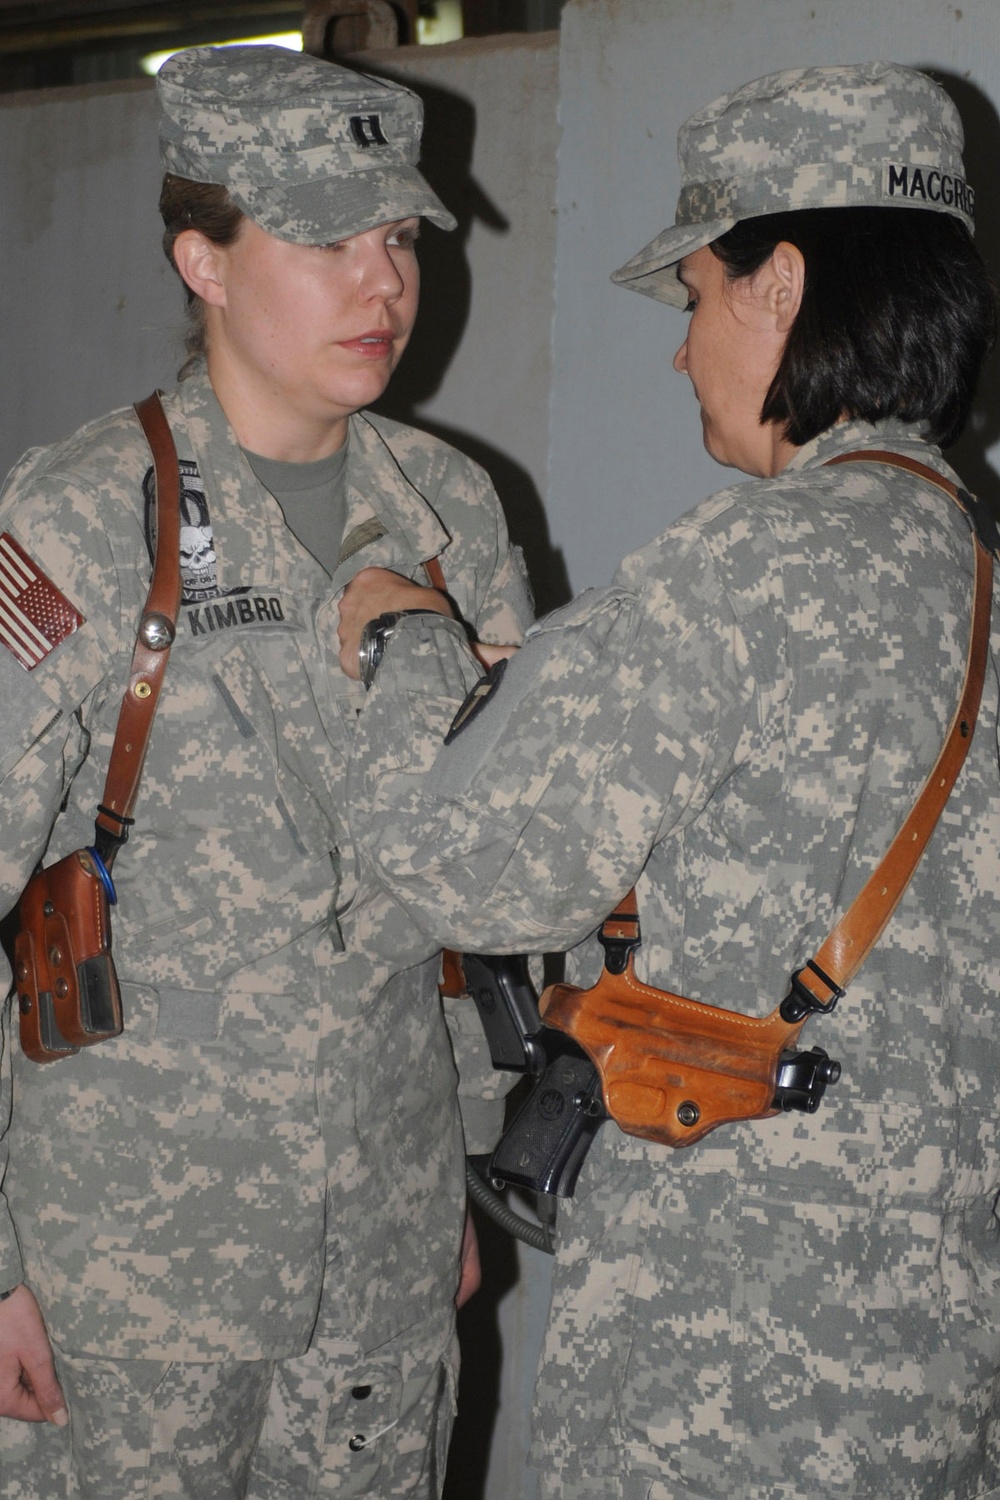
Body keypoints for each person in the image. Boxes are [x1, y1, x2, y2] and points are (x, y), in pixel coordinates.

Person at [338, 61, 1000, 1500]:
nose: (682, 347)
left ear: (783, 287)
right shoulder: (982, 585)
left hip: (728, 1377)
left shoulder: (743, 568)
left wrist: (400, 647)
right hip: (946, 1371)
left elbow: (476, 865)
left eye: (699, 295)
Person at [0, 43, 532, 1500]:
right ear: (206, 258)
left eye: (400, 237)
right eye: (324, 239)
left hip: (382, 1253)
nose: (386, 284)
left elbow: (483, 884)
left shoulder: (452, 515)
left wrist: (457, 1169)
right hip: (129, 1276)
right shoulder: (86, 518)